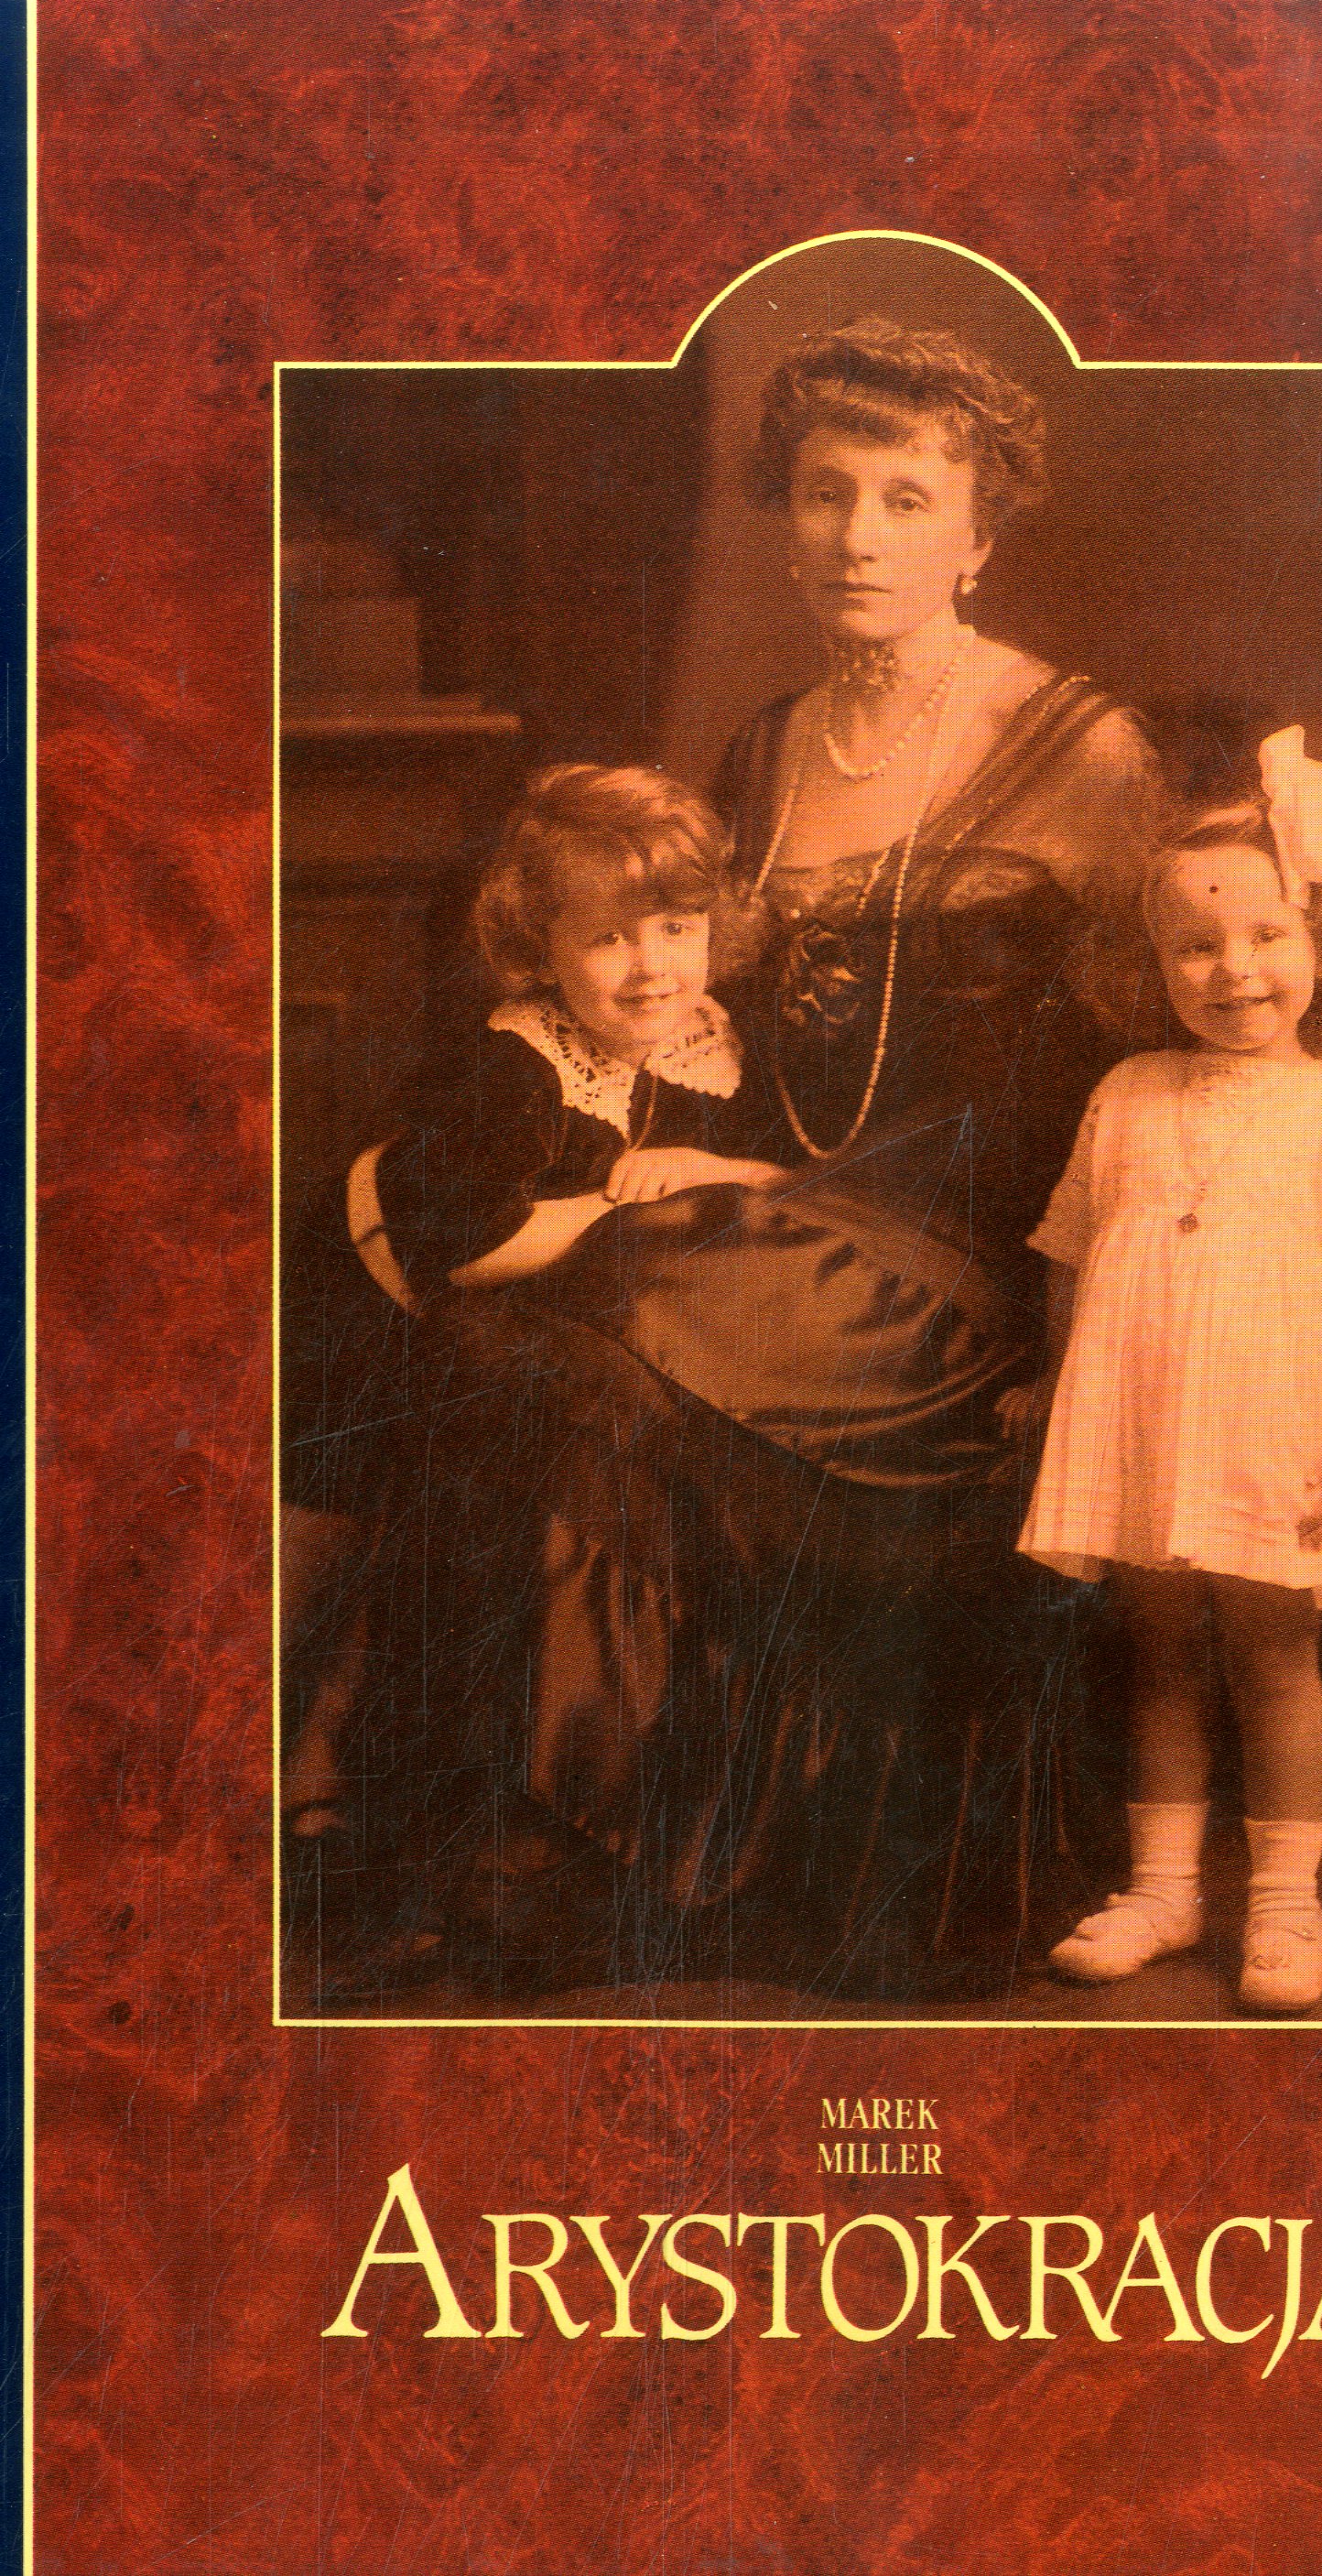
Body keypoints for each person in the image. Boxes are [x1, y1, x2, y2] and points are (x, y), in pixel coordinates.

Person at [346, 315, 1171, 1996]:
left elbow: (1154, 1074)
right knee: (520, 1334)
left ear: (977, 534)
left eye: (906, 498)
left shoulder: (1081, 747)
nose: (859, 534)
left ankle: (560, 1848)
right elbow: (690, 1040)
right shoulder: (762, 747)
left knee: (612, 1283)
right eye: (823, 493)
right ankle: (547, 1845)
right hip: (766, 1216)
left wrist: (1087, 1325)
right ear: (784, 520)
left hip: (967, 1266)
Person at [1013, 727, 1322, 2010]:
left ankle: (1283, 1902)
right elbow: (1071, 1255)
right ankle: (1164, 1890)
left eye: (1267, 937)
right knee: (1155, 1652)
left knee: (1272, 1658)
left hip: (1281, 1433)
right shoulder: (1127, 1091)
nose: (1234, 970)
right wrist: (1056, 1387)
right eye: (1195, 945)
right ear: (1151, 961)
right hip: (1144, 1423)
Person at [277, 762, 784, 1871]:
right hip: (378, 1303)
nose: (652, 967)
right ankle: (297, 1752)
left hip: (531, 1343)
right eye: (608, 938)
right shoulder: (517, 1061)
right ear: (541, 947)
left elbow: (778, 1179)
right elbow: (460, 1245)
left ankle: (474, 1770)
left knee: (502, 1514)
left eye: (677, 927)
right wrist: (614, 1205)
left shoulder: (711, 1044)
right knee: (325, 1548)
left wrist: (715, 1170)